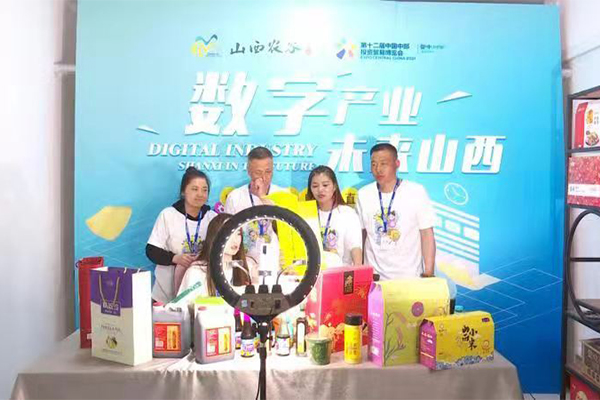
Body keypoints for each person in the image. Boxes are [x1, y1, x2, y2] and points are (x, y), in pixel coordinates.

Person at [356, 143, 436, 280]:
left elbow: (426, 234)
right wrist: (360, 271)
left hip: (409, 277)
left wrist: (429, 273)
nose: (378, 169)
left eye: (383, 164)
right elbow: (361, 236)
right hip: (374, 278)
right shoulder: (364, 194)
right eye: (374, 164)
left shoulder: (416, 192)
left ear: (397, 164)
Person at [146, 167, 217, 303]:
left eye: (204, 190)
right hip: (165, 294)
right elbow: (151, 251)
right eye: (194, 189)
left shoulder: (212, 217)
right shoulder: (168, 215)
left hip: (199, 295)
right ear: (183, 192)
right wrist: (175, 258)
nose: (200, 194)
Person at [224, 146, 284, 259]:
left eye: (268, 172)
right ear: (248, 171)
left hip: (275, 261)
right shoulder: (235, 197)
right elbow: (227, 235)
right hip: (244, 262)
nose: (264, 177)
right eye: (258, 172)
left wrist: (262, 197)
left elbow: (288, 232)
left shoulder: (283, 195)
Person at [175, 213, 254, 297]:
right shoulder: (197, 271)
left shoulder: (246, 268)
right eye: (229, 233)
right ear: (215, 236)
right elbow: (181, 302)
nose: (235, 240)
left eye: (238, 234)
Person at [305, 165, 362, 266]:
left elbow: (355, 246)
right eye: (315, 186)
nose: (320, 190)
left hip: (340, 271)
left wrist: (358, 269)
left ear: (334, 186)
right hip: (313, 271)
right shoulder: (306, 213)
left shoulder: (347, 214)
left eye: (325, 185)